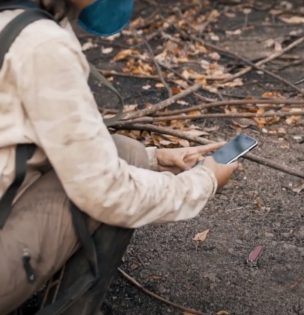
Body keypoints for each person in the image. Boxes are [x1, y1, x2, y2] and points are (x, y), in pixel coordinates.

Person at [0, 0, 238, 314]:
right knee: (121, 176)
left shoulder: (12, 20)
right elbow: (109, 193)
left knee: (128, 152)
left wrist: (156, 158)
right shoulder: (42, 45)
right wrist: (203, 182)